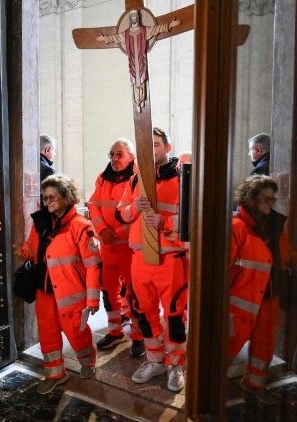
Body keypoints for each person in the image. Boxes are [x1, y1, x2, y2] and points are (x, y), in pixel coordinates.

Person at [13, 174, 102, 394]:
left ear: (66, 197)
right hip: (44, 291)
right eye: (45, 198)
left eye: (53, 197)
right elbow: (32, 246)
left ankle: (88, 361)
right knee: (47, 333)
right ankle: (55, 373)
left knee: (76, 332)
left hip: (71, 293)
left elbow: (93, 265)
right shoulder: (41, 223)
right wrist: (24, 251)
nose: (48, 201)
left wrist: (92, 298)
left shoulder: (81, 227)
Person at [116, 127, 188, 392]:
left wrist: (165, 222)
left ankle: (175, 364)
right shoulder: (135, 180)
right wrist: (134, 208)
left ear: (167, 148)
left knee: (175, 315)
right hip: (140, 259)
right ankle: (155, 359)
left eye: (156, 145)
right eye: (147, 146)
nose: (151, 150)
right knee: (144, 314)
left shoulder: (183, 179)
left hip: (171, 259)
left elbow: (194, 220)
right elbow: (120, 214)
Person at [227, 175, 297, 403]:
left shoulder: (275, 226)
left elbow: (285, 254)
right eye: (265, 198)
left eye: (272, 199)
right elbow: (224, 266)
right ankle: (206, 389)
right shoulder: (236, 226)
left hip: (270, 297)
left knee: (264, 347)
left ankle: (254, 385)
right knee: (227, 345)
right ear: (251, 198)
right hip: (240, 299)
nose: (270, 203)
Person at [87, 138, 144, 356]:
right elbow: (93, 205)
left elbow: (138, 213)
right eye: (111, 154)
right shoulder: (103, 178)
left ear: (131, 156)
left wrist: (117, 233)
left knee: (134, 293)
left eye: (119, 154)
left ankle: (138, 335)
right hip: (108, 248)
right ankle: (115, 330)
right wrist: (102, 231)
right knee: (108, 291)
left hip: (130, 249)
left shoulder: (139, 178)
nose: (114, 159)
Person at [96, 10, 180, 112]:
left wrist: (169, 25)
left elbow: (156, 29)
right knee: (134, 80)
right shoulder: (126, 33)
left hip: (141, 61)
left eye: (135, 16)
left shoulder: (145, 31)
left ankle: (141, 99)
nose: (134, 18)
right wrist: (105, 38)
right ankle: (137, 100)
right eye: (132, 16)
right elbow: (116, 37)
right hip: (132, 62)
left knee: (142, 78)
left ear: (138, 17)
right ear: (130, 19)